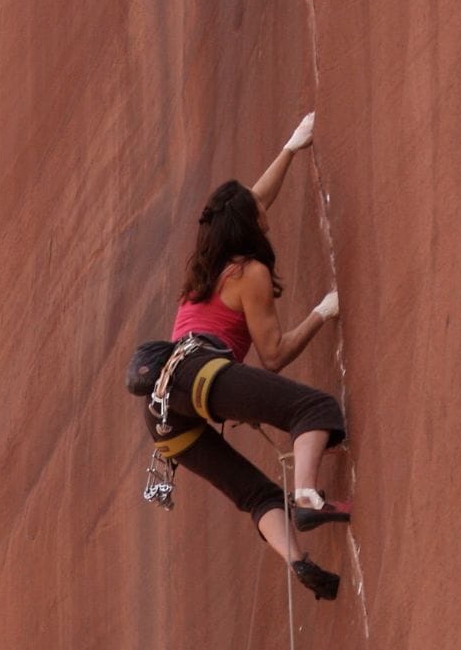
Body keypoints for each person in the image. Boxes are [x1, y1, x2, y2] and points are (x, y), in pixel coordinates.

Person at [145, 112, 349, 600]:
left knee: (253, 494)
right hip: (198, 374)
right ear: (247, 228)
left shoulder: (205, 266)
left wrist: (291, 148)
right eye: (258, 215)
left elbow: (252, 200)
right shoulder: (249, 273)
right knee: (314, 410)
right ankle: (307, 496)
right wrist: (322, 313)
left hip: (162, 414)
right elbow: (274, 356)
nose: (265, 215)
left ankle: (297, 560)